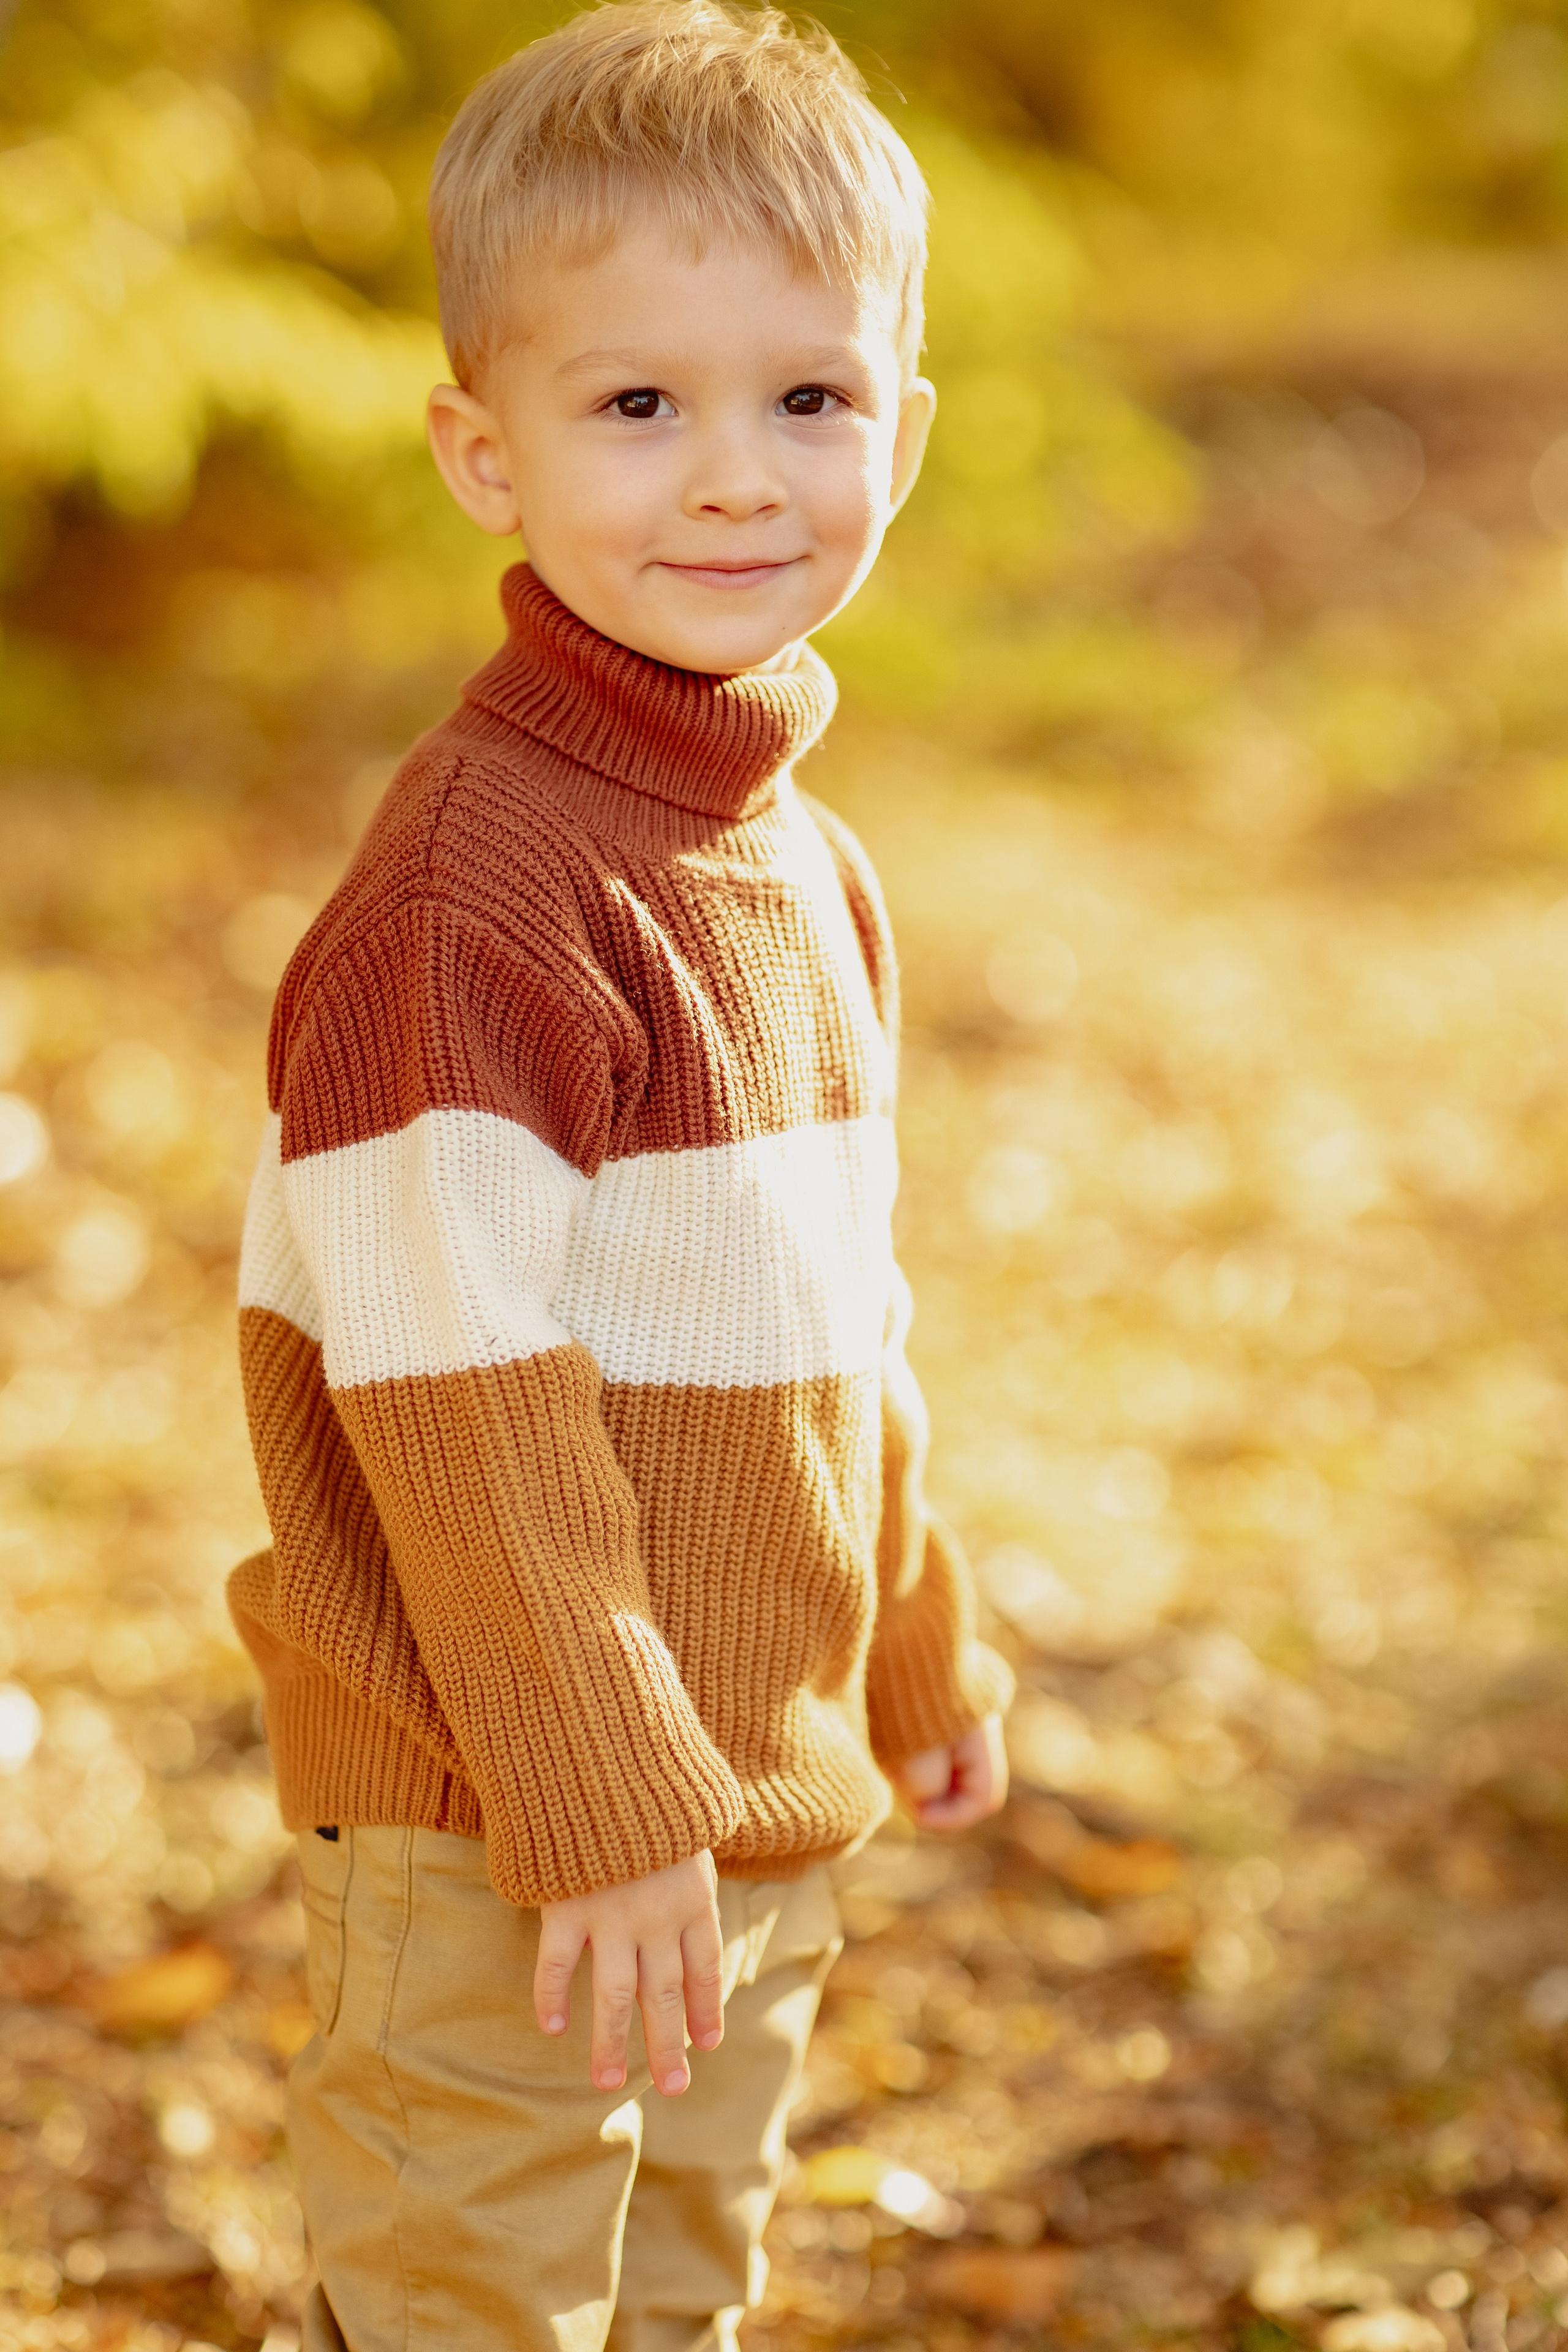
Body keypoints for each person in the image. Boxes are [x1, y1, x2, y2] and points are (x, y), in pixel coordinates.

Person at [229, 5, 1014, 2345]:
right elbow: (458, 1397)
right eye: (640, 405)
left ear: (904, 431)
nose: (737, 481)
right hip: (497, 1813)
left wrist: (910, 1631)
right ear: (487, 454)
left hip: (742, 1787)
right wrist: (600, 1797)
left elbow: (834, 1317)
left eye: (811, 398)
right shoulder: (474, 898)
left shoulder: (803, 867)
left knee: (681, 2290)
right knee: (480, 2300)